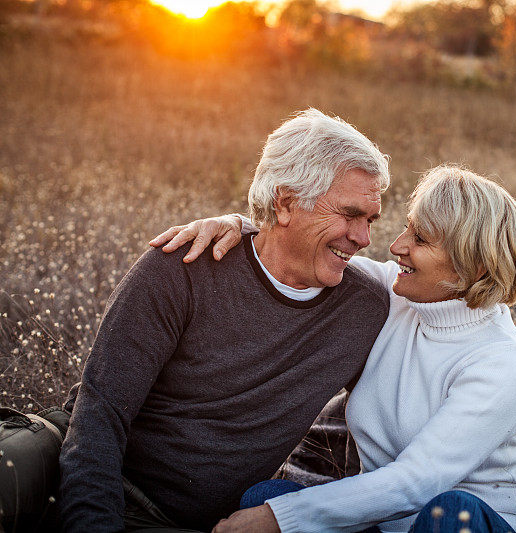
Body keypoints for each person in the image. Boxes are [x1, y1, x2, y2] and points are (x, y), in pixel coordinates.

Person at [156, 165, 516, 533]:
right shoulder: (395, 295)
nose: (396, 246)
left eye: (420, 239)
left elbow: (417, 482)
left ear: (473, 267)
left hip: (471, 523)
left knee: (449, 512)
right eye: (408, 228)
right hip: (383, 526)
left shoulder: (504, 361)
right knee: (264, 497)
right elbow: (300, 250)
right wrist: (237, 225)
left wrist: (281, 519)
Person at [57, 108, 392, 532]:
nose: (364, 238)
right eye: (349, 215)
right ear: (286, 203)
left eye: (370, 220)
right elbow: (99, 413)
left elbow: (452, 286)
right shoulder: (183, 267)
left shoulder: (365, 307)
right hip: (95, 478)